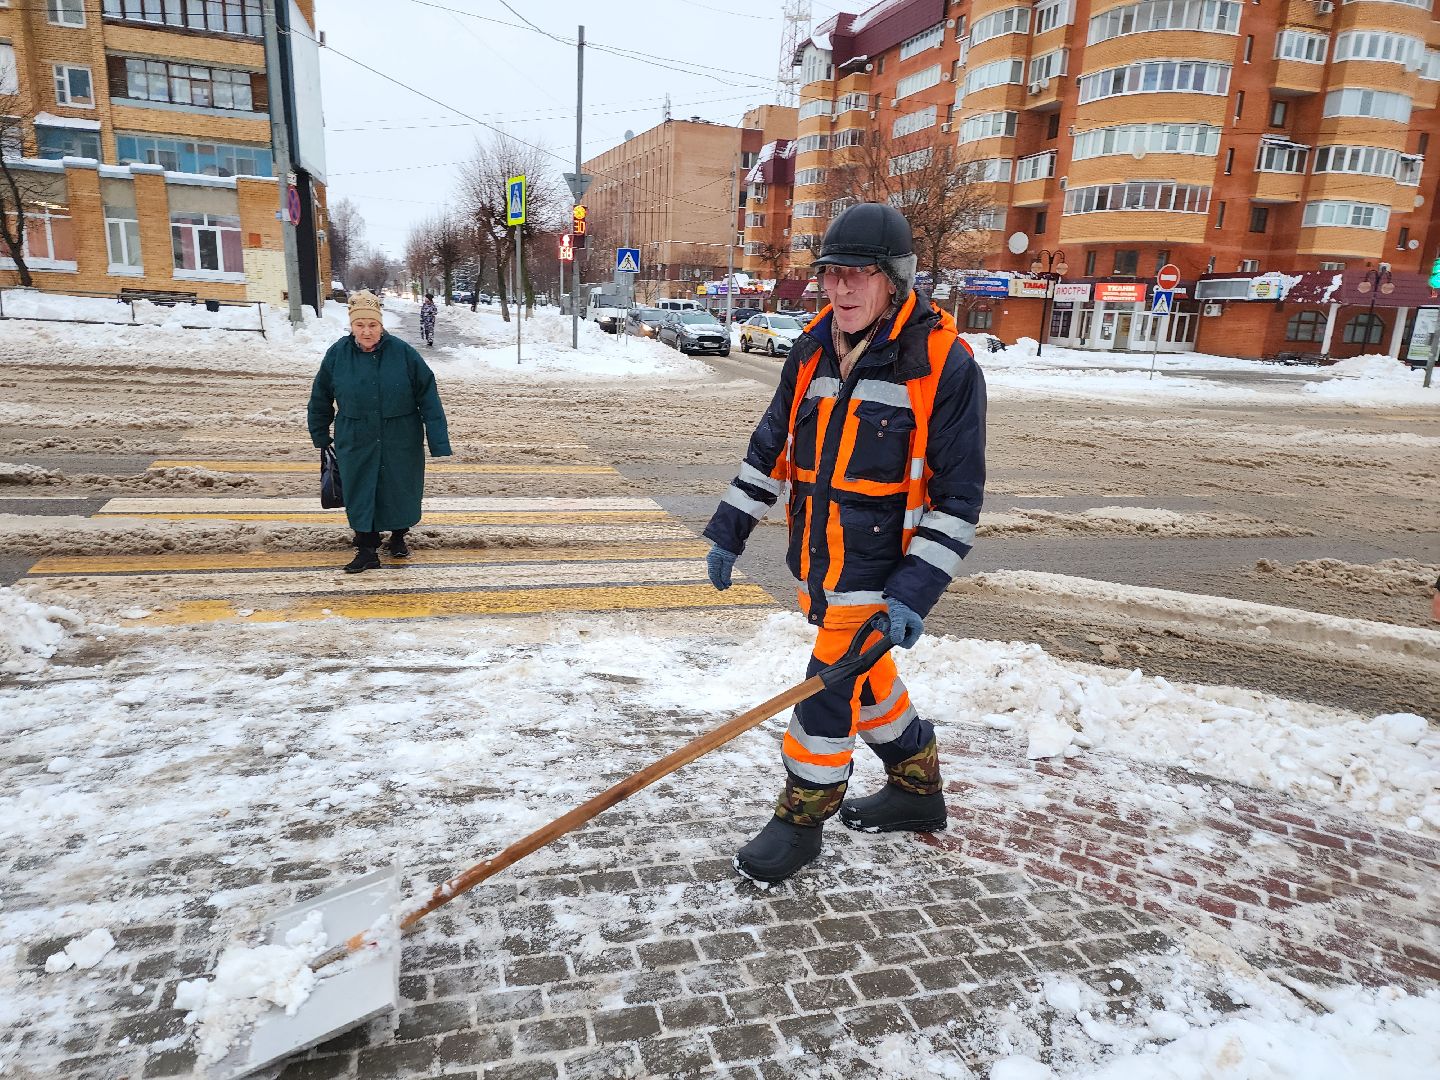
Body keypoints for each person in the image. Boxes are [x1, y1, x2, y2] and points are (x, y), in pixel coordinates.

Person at [703, 202, 987, 884]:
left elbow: (959, 500)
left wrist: (913, 593)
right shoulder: (810, 348)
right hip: (821, 565)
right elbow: (769, 450)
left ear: (894, 280)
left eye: (858, 275)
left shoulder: (943, 364)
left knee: (825, 690)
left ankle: (802, 819)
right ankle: (919, 790)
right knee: (867, 683)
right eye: (832, 274)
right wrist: (730, 530)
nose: (840, 289)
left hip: (884, 576)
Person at [307, 290, 452, 573]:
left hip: (401, 435)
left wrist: (438, 440)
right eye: (360, 325)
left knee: (399, 488)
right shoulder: (338, 354)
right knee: (360, 489)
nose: (366, 331)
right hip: (356, 435)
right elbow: (320, 396)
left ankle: (399, 536)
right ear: (351, 326)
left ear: (381, 325)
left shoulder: (403, 353)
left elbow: (428, 395)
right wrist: (320, 434)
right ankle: (366, 548)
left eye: (372, 325)